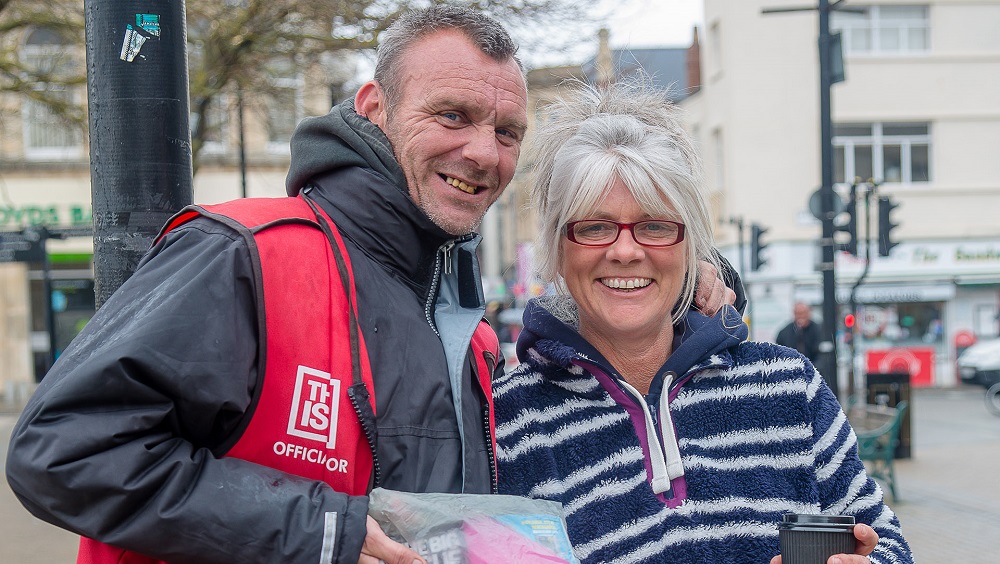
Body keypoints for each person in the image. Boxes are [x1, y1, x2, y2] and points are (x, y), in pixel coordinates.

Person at [5, 7, 741, 564]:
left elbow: (600, 299)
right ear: (373, 108)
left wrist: (684, 281)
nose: (481, 151)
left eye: (507, 130)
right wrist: (330, 530)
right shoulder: (244, 255)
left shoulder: (467, 329)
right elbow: (61, 451)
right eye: (451, 115)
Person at [492, 80, 911, 563]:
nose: (626, 251)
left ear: (691, 248)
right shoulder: (508, 420)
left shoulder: (788, 386)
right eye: (594, 227)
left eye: (655, 226)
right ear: (557, 252)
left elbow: (887, 541)